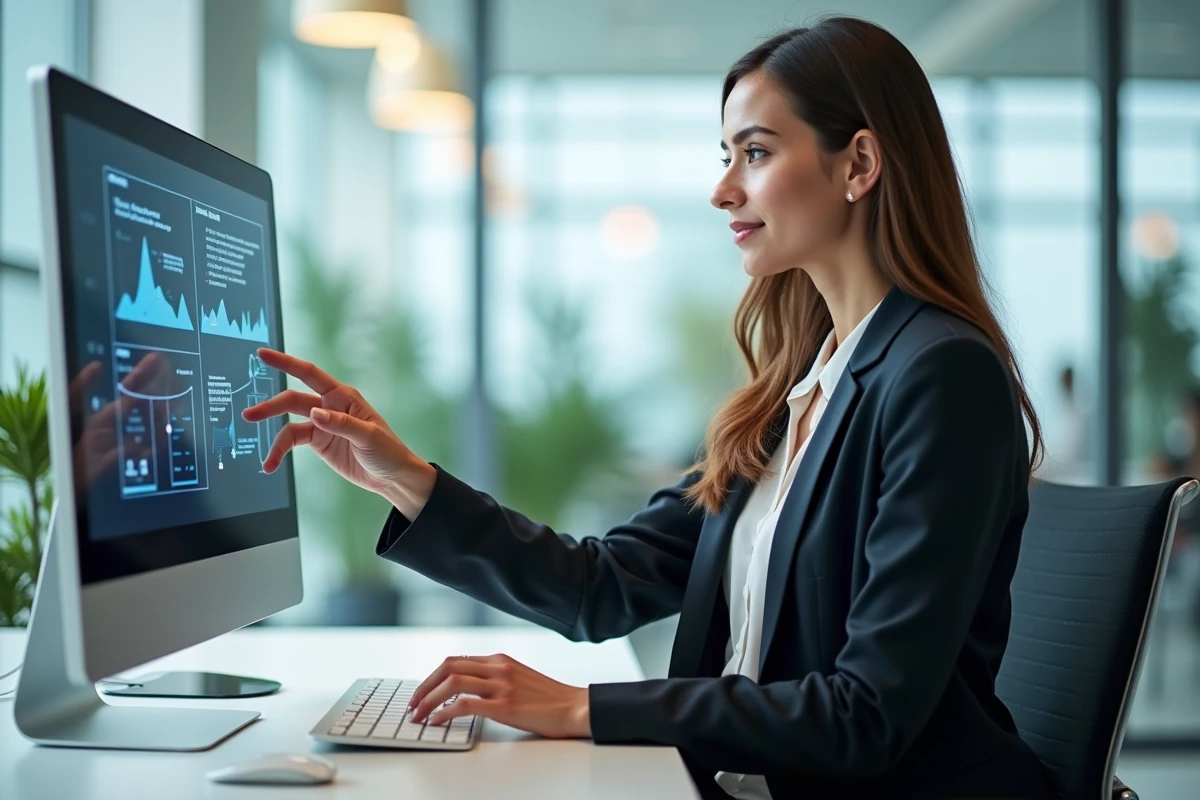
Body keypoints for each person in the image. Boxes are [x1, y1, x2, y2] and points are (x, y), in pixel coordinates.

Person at [244, 17, 1051, 800]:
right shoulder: (799, 388)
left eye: (757, 153)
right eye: (726, 155)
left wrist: (579, 708)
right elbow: (602, 585)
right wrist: (407, 478)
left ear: (859, 163)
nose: (722, 188)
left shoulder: (941, 376)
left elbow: (866, 714)